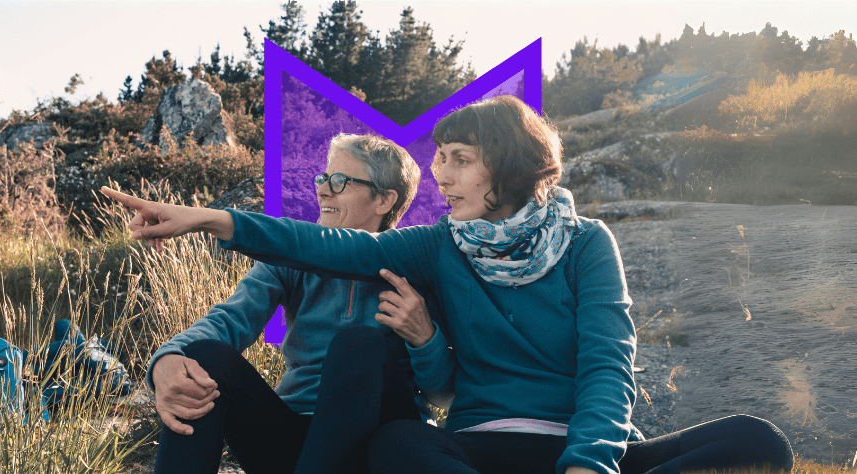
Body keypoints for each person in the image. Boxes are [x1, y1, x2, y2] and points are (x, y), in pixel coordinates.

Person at [103, 95, 794, 474]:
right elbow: (322, 245)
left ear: (510, 166)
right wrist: (211, 219)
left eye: (459, 161)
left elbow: (609, 370)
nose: (442, 178)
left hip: (578, 451)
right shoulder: (440, 247)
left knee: (757, 440)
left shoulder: (587, 244)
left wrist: (587, 467)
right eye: (440, 162)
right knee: (402, 445)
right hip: (473, 450)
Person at [128, 133, 455, 474]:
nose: (324, 189)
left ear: (384, 200)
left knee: (360, 343)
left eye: (341, 181)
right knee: (204, 357)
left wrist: (424, 337)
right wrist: (169, 357)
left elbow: (441, 394)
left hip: (379, 443)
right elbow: (231, 318)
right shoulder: (289, 260)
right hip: (295, 435)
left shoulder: (417, 268)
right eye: (323, 178)